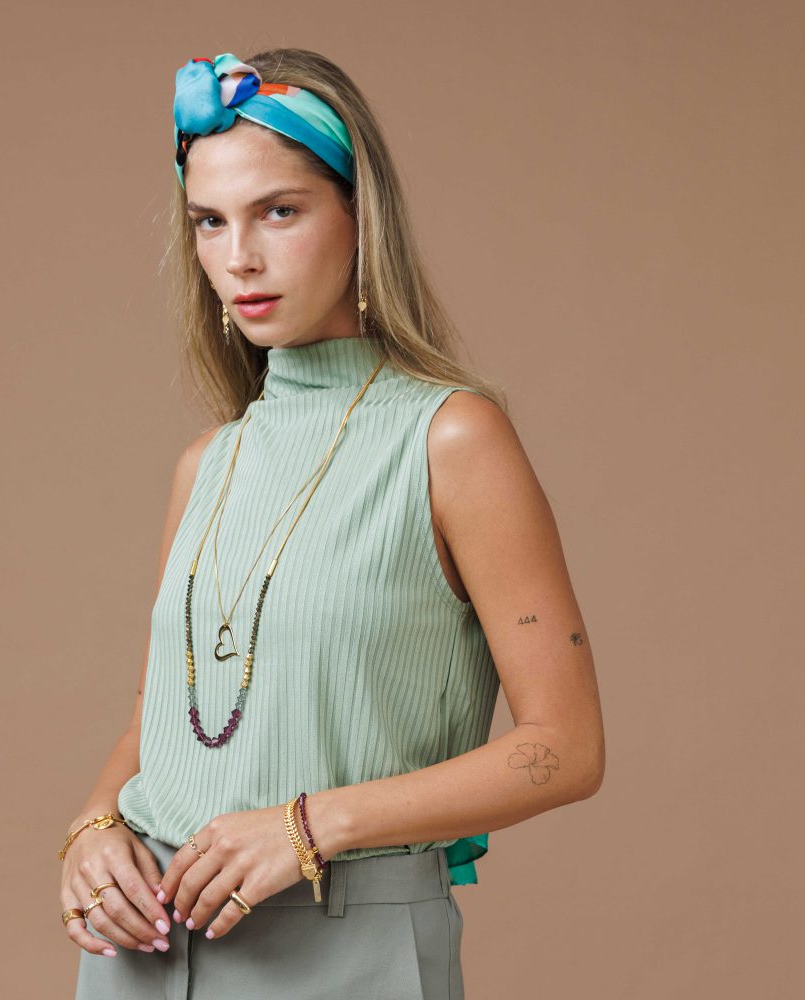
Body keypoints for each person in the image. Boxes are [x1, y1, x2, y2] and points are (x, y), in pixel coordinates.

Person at [60, 47, 605, 999]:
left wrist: (311, 825)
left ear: (361, 216)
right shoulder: (207, 464)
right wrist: (94, 826)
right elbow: (160, 723)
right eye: (209, 221)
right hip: (141, 953)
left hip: (346, 951)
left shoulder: (450, 439)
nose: (240, 256)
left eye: (279, 211)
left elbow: (565, 748)